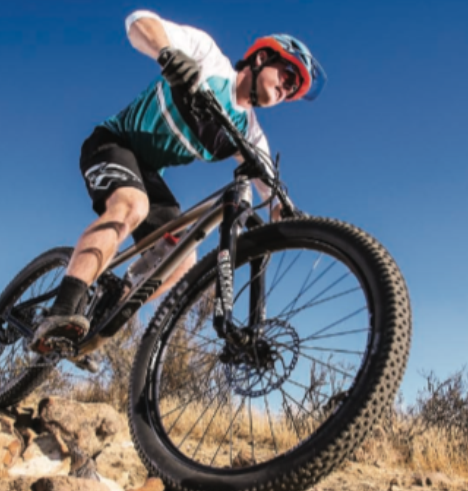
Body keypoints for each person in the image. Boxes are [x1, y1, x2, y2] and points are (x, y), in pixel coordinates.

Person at [30, 10, 326, 355]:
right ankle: (62, 309)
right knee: (131, 205)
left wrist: (285, 212)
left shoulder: (250, 133)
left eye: (293, 89)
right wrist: (167, 54)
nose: (287, 89)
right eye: (289, 75)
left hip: (148, 174)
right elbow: (138, 23)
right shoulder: (208, 59)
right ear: (261, 58)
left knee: (182, 258)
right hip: (112, 143)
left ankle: (103, 319)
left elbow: (272, 193)